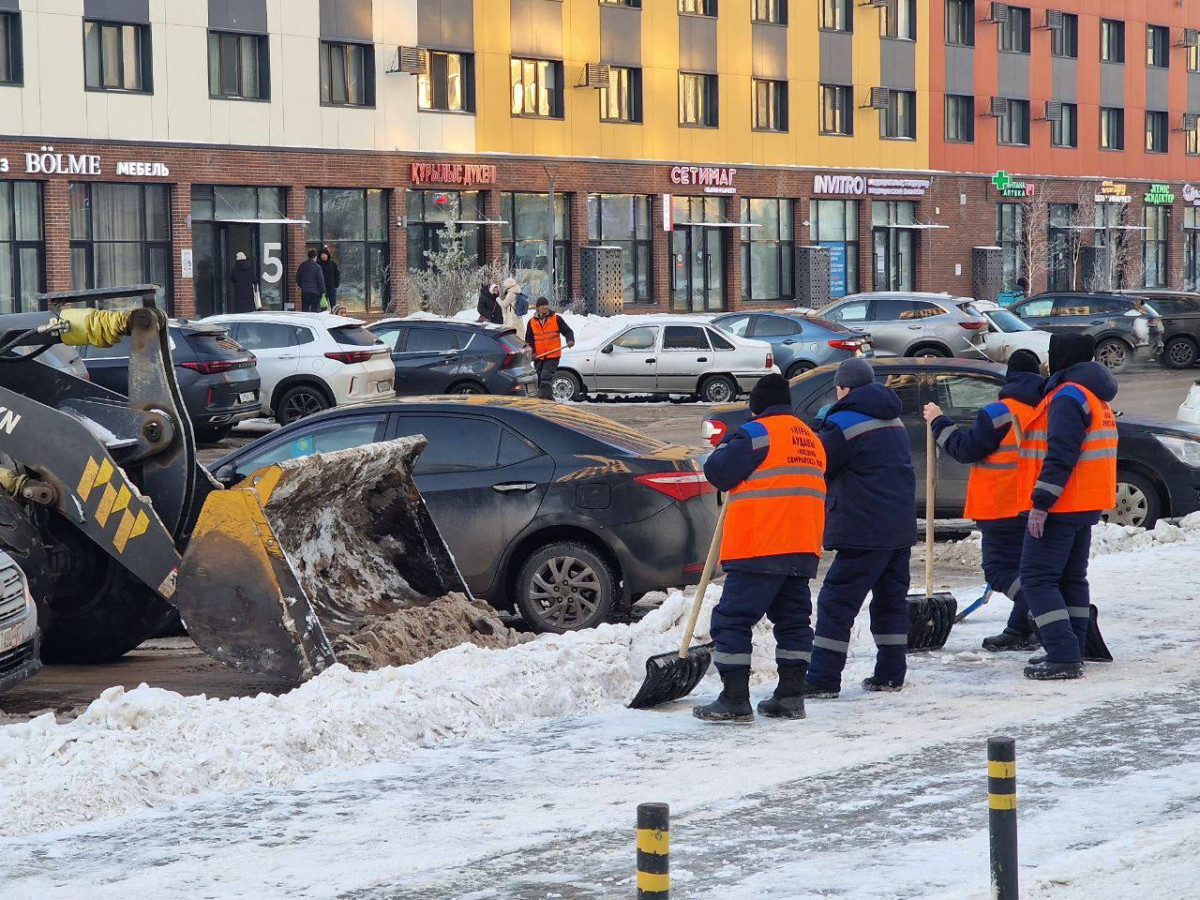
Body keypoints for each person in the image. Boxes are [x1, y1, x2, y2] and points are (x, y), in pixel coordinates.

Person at [694, 374, 827, 723]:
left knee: (732, 620)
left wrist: (723, 447)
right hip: (802, 546)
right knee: (794, 622)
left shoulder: (758, 433)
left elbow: (718, 472)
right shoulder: (811, 439)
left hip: (760, 544)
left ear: (757, 405)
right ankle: (790, 697)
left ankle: (734, 699)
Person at [805, 358, 917, 698]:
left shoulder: (842, 424)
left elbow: (819, 462)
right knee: (890, 601)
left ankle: (823, 679)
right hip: (898, 527)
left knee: (836, 602)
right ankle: (891, 673)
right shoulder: (893, 418)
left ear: (843, 388)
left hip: (864, 528)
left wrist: (817, 431)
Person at [922, 350, 1045, 653]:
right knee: (1024, 568)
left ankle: (1038, 609)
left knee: (999, 570)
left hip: (1001, 504)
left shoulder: (1000, 412)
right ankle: (1019, 630)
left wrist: (939, 421)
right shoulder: (1046, 411)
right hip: (1034, 505)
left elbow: (965, 450)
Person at [1017, 333, 1118, 681]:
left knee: (1037, 578)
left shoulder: (1067, 396)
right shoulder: (1094, 394)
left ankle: (1062, 655)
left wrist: (1041, 502)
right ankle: (1075, 646)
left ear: (1060, 358)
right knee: (1072, 578)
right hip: (1086, 502)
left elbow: (1061, 453)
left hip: (1062, 503)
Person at [525, 297, 575, 399]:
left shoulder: (556, 319)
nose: (545, 307)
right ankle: (549, 400)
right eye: (542, 305)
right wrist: (533, 352)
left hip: (552, 355)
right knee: (539, 378)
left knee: (545, 377)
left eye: (546, 304)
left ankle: (542, 400)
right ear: (538, 307)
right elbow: (529, 339)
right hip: (539, 356)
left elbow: (567, 331)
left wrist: (570, 339)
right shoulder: (532, 322)